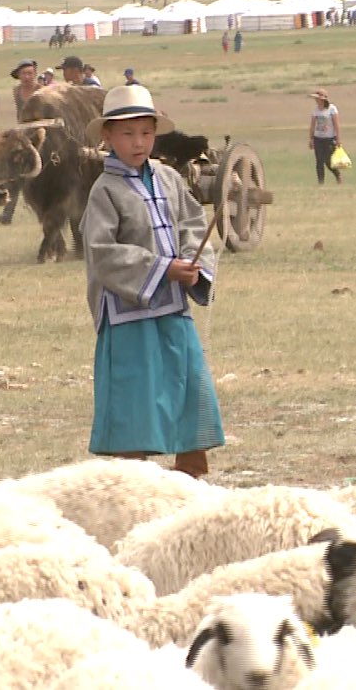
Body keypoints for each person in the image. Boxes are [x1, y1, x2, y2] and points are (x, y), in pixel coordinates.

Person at [81, 84, 221, 479]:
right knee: (135, 394)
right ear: (107, 136)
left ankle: (190, 472)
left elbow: (194, 224)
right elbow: (102, 251)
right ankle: (133, 479)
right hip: (129, 312)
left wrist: (194, 264)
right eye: (127, 133)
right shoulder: (103, 191)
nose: (138, 142)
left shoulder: (169, 178)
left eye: (146, 132)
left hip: (173, 305)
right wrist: (162, 268)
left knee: (186, 382)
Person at [307, 90, 344, 185]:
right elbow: (312, 125)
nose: (316, 100)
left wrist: (338, 139)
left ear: (322, 99)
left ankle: (338, 175)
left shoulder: (332, 109)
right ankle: (321, 183)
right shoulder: (315, 110)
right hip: (318, 139)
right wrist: (311, 139)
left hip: (329, 139)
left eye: (317, 98)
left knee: (328, 161)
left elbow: (336, 125)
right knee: (319, 161)